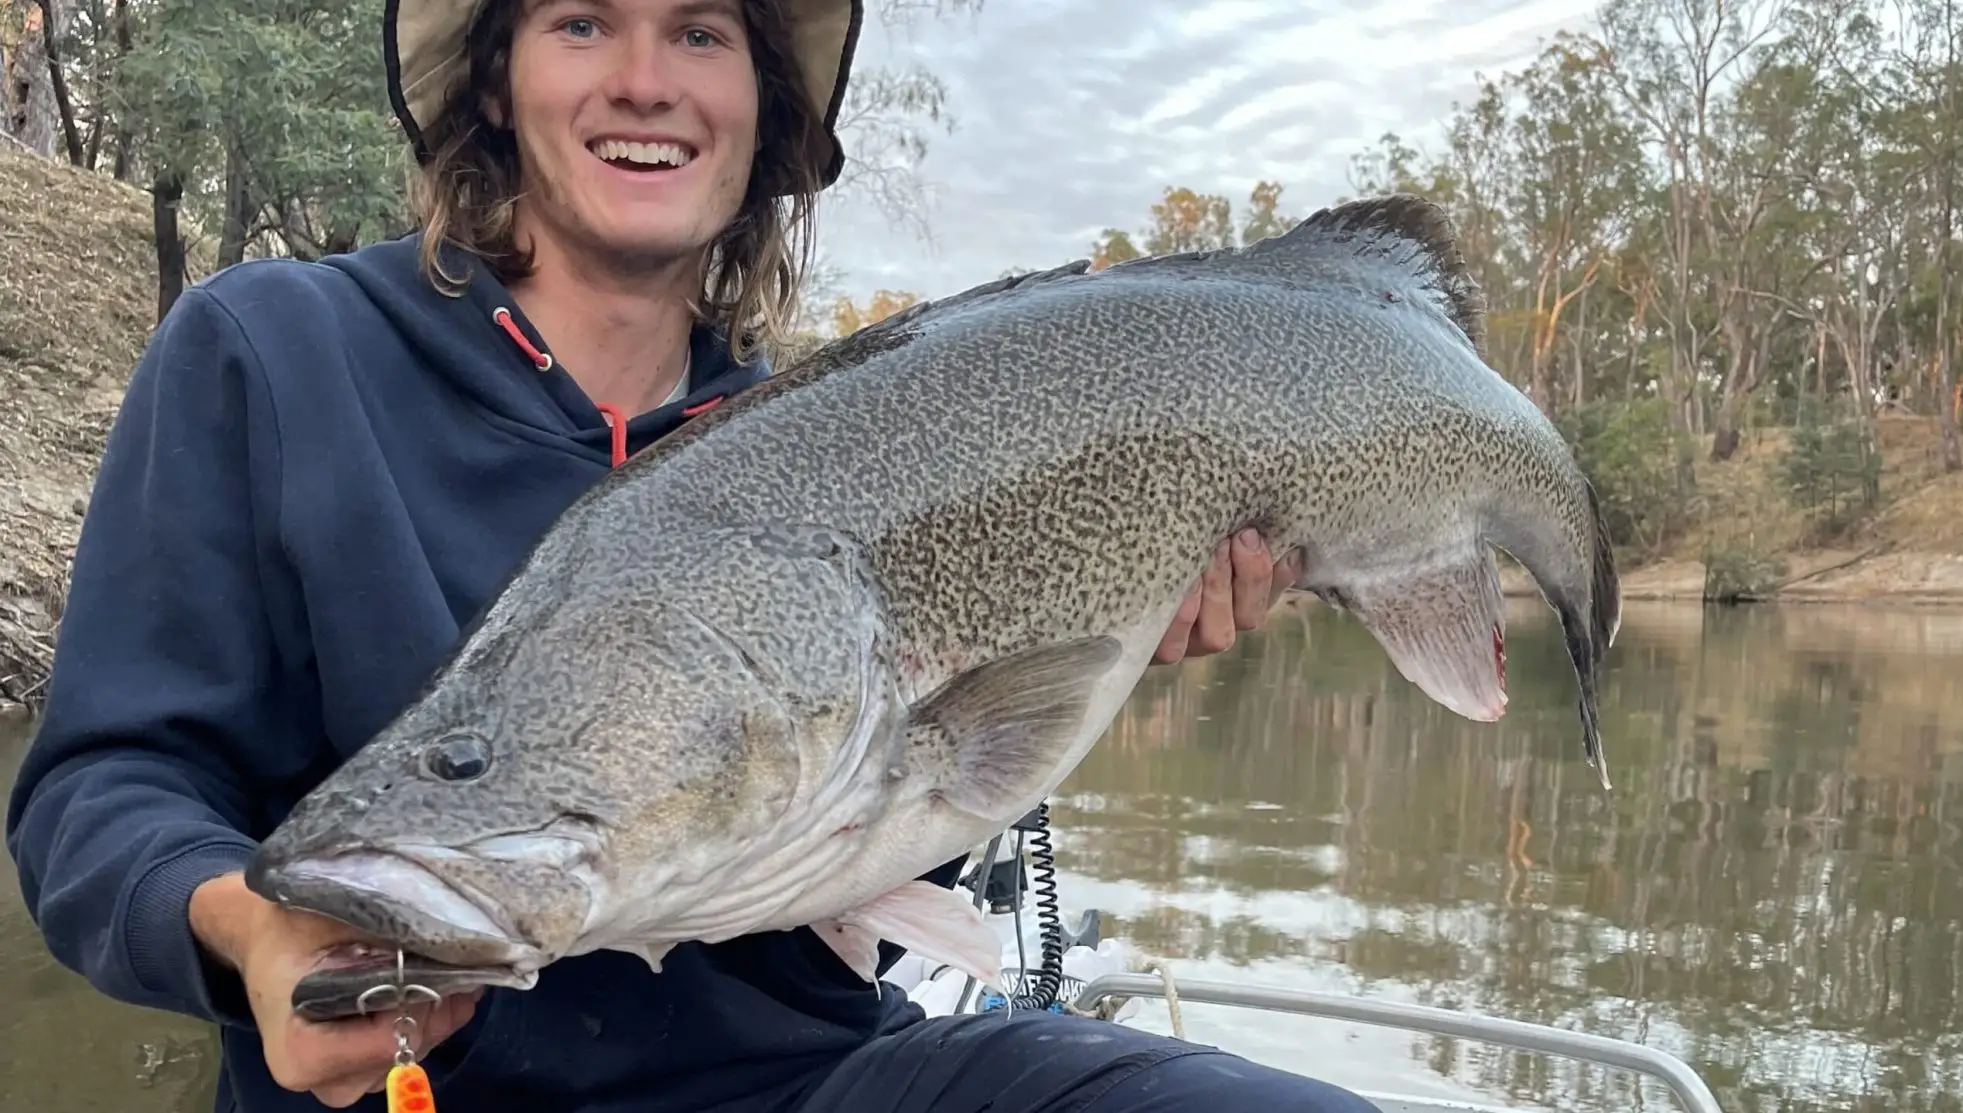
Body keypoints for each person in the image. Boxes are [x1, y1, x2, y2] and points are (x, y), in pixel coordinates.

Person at [5, 0, 1376, 1110]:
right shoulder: (273, 350)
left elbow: (889, 857)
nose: (647, 80)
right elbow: (103, 791)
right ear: (498, 81)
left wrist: (1100, 649)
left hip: (825, 1076)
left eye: (704, 32)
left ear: (763, 110)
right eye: (584, 22)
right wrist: (244, 925)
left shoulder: (843, 432)